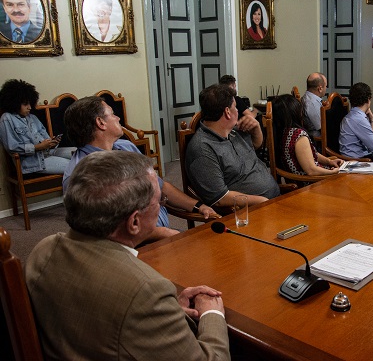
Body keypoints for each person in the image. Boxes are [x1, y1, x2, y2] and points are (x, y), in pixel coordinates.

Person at [26, 151, 230, 360]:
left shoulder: (43, 249)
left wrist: (167, 312)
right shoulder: (146, 291)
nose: (161, 205)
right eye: (160, 200)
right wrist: (211, 314)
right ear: (134, 222)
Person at [62, 96, 216, 240]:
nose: (118, 118)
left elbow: (161, 186)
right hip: (133, 246)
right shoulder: (80, 175)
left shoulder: (126, 147)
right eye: (113, 114)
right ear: (100, 123)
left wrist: (198, 206)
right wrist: (162, 233)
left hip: (161, 232)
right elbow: (106, 232)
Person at [186, 84, 280, 208]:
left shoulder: (233, 130)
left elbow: (255, 146)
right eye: (235, 107)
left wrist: (257, 128)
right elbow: (220, 198)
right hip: (251, 211)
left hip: (274, 199)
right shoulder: (202, 148)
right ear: (227, 112)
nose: (238, 111)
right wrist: (261, 201)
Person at [0, 79, 74, 175]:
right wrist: (37, 147)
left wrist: (52, 142)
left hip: (48, 152)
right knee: (76, 166)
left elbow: (45, 138)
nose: (29, 107)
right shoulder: (7, 118)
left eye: (30, 103)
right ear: (15, 103)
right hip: (34, 162)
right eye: (25, 104)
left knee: (82, 153)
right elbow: (12, 147)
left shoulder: (33, 117)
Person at [272, 94, 341, 181]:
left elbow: (312, 154)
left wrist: (329, 162)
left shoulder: (282, 132)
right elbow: (311, 171)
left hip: (303, 179)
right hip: (310, 183)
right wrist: (334, 172)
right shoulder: (298, 135)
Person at [339, 82, 373, 160]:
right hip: (357, 161)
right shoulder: (358, 120)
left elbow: (371, 140)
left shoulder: (353, 115)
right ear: (368, 100)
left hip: (358, 156)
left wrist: (372, 121)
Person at [301, 72, 327, 139]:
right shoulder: (312, 103)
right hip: (318, 142)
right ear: (320, 89)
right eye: (325, 86)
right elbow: (323, 128)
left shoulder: (308, 97)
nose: (326, 89)